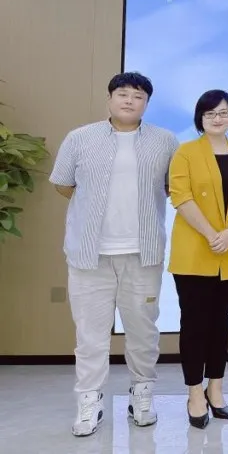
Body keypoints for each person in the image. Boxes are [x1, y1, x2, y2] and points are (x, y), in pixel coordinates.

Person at [49, 72, 179, 437]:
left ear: (146, 104)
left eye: (138, 96)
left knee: (143, 332)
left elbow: (173, 187)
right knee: (90, 335)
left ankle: (142, 396)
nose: (129, 101)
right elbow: (63, 183)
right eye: (122, 94)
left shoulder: (165, 141)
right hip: (89, 255)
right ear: (109, 98)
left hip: (143, 253)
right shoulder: (80, 138)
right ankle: (89, 402)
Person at [168, 89, 228, 428]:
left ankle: (215, 388)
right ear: (200, 118)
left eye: (223, 112)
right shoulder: (186, 152)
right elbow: (181, 197)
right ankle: (194, 393)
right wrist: (210, 234)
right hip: (194, 250)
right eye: (210, 114)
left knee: (221, 322)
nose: (218, 119)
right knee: (194, 324)